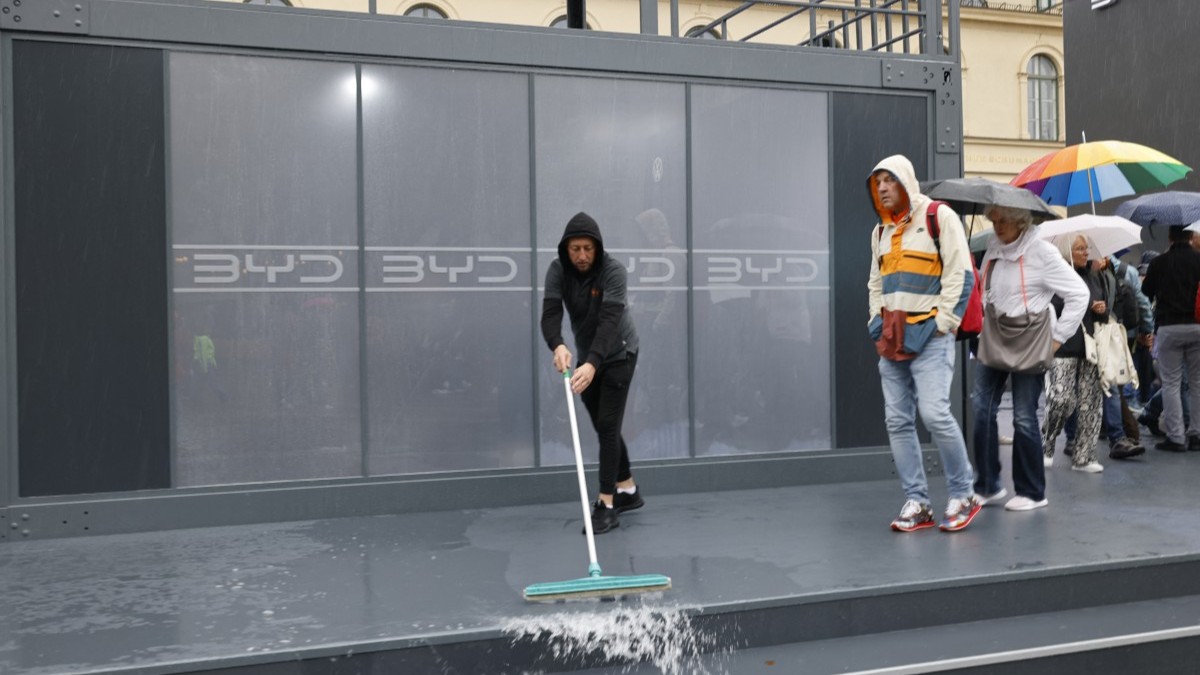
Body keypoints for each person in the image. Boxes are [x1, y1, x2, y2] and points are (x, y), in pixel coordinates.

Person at [866, 155, 980, 532]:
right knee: (897, 421)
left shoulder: (938, 216)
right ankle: (918, 502)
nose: (882, 187)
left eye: (889, 180)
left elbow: (961, 274)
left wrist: (944, 323)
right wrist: (875, 322)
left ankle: (963, 493)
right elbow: (876, 282)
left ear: (905, 181)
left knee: (934, 414)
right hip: (891, 340)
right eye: (877, 181)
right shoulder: (879, 231)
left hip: (930, 337)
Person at [972, 209, 1087, 512]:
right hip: (995, 335)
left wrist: (1058, 338)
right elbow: (985, 291)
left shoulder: (1043, 252)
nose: (996, 226)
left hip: (1030, 338)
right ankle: (987, 485)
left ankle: (1033, 491)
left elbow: (1079, 293)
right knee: (981, 407)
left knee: (1024, 415)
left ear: (1021, 222)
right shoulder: (994, 251)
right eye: (993, 220)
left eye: (1003, 220)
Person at [541, 211, 643, 534]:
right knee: (603, 425)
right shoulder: (558, 270)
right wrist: (557, 345)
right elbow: (550, 314)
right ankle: (628, 490)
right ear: (566, 249)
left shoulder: (613, 271)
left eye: (588, 248)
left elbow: (609, 323)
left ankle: (607, 504)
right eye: (575, 249)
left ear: (597, 247)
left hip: (619, 352)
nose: (582, 256)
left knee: (609, 425)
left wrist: (592, 363)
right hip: (587, 357)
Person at [1041, 236, 1112, 473]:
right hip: (1062, 348)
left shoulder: (1094, 275)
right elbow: (1050, 307)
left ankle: (1085, 456)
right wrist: (1085, 304)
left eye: (1086, 248)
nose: (1085, 252)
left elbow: (1104, 311)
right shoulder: (1055, 275)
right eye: (1079, 249)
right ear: (1067, 252)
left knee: (1090, 402)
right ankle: (1045, 447)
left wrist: (1101, 309)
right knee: (1060, 400)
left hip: (1090, 348)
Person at [1141, 225, 1200, 452]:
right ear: (1190, 237)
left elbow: (1146, 291)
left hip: (1169, 326)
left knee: (1172, 383)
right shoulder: (1198, 260)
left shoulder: (1159, 263)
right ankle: (1196, 433)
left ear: (1170, 237)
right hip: (1197, 326)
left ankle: (1176, 436)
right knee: (1197, 383)